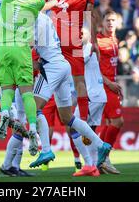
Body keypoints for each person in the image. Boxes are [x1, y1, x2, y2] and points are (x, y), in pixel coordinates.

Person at [29, 12, 111, 177]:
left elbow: (28, 50)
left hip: (51, 67)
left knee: (33, 107)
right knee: (68, 118)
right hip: (63, 66)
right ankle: (101, 145)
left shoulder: (34, 21)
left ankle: (45, 150)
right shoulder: (44, 18)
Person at [38, 0, 98, 135]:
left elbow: (36, 8)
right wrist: (93, 40)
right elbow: (90, 16)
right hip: (74, 40)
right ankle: (85, 122)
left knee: (40, 75)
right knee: (80, 81)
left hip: (53, 41)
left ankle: (30, 117)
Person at [0, 0, 48, 156]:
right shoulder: (37, 1)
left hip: (1, 48)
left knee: (7, 88)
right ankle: (32, 128)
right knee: (27, 93)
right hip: (21, 49)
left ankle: (5, 113)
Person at [96, 10, 123, 174]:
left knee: (109, 123)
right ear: (102, 23)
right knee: (118, 122)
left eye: (113, 20)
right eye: (108, 20)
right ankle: (103, 157)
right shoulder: (98, 42)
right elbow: (93, 68)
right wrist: (108, 83)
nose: (111, 23)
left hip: (112, 86)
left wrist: (115, 84)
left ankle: (100, 156)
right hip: (103, 86)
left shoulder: (115, 40)